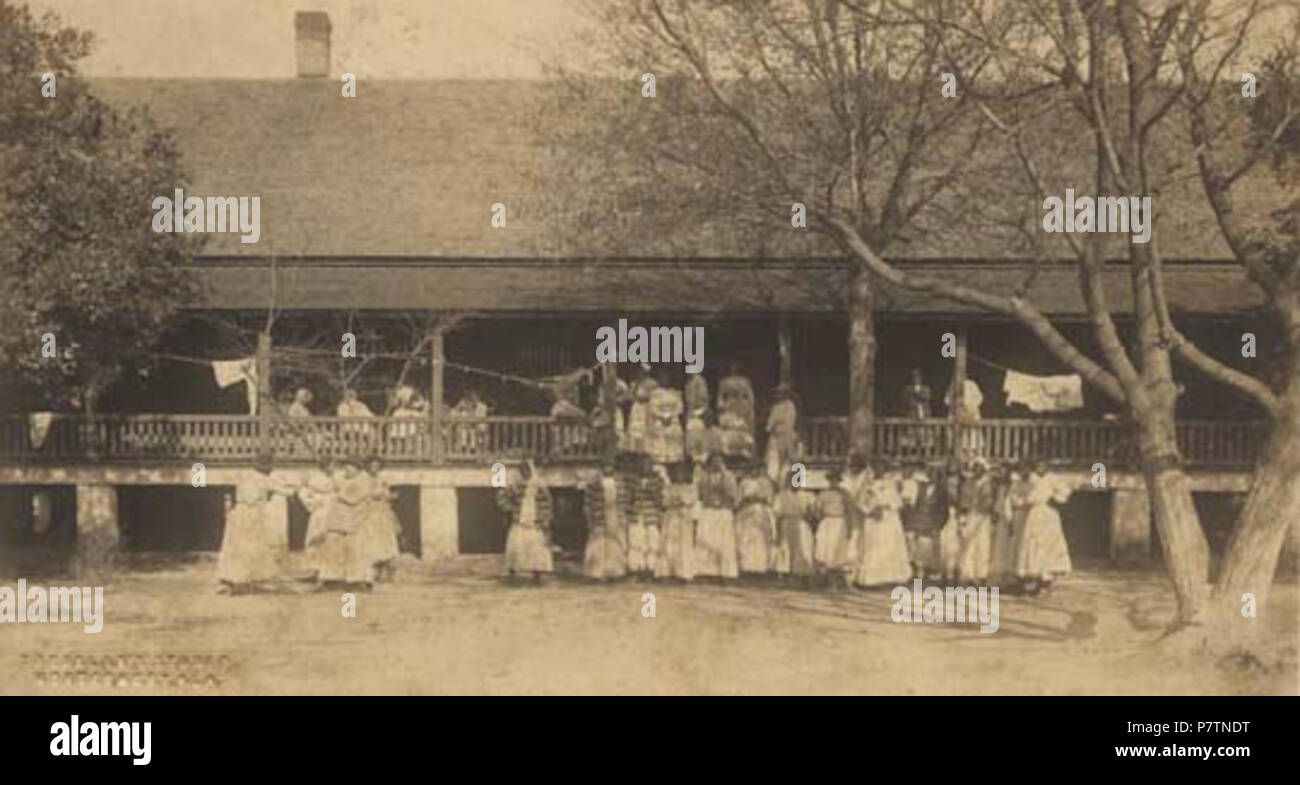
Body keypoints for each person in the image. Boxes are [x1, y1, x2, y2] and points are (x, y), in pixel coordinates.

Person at [217, 459, 290, 594]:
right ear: (265, 467)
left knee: (234, 547)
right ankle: (241, 581)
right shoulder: (263, 479)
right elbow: (284, 491)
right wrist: (293, 487)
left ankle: (230, 579)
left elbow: (231, 486)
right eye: (269, 467)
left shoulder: (244, 474)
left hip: (239, 512)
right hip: (251, 515)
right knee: (249, 547)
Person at [309, 459, 374, 588]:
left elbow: (354, 499)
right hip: (339, 521)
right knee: (333, 549)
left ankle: (359, 580)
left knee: (356, 551)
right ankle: (331, 578)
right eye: (346, 467)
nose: (347, 470)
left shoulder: (364, 480)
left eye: (350, 467)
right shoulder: (343, 478)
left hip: (356, 521)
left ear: (358, 468)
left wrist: (338, 493)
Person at [851, 462, 913, 587]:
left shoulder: (890, 485)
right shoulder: (866, 486)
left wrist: (886, 507)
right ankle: (871, 579)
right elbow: (859, 503)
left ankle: (892, 578)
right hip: (873, 519)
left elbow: (898, 503)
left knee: (889, 547)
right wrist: (870, 510)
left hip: (889, 519)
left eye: (881, 469)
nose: (878, 471)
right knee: (873, 547)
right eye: (875, 469)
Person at [1014, 465, 1073, 593]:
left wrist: (1055, 499)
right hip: (1034, 513)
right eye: (1037, 466)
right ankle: (1033, 577)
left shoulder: (1052, 479)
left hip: (1048, 514)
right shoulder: (1031, 480)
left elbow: (1065, 491)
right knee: (1032, 543)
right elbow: (1023, 495)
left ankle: (1047, 578)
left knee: (1048, 543)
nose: (1040, 468)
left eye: (1043, 466)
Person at [499, 460, 554, 583]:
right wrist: (511, 508)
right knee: (516, 545)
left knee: (536, 547)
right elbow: (502, 498)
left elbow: (547, 503)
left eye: (527, 470)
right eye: (522, 470)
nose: (525, 472)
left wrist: (544, 518)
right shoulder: (516, 485)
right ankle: (512, 571)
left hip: (535, 520)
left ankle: (537, 572)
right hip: (520, 520)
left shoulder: (540, 486)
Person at [693, 453, 739, 580]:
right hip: (708, 511)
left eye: (719, 461)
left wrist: (723, 503)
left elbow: (733, 496)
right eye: (714, 461)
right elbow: (699, 494)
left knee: (723, 542)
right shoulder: (704, 477)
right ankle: (705, 571)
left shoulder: (728, 476)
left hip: (723, 512)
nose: (716, 464)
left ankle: (725, 572)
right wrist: (709, 501)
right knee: (707, 540)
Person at [357, 457, 402, 582]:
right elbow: (363, 494)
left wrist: (388, 495)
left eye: (377, 466)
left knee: (386, 541)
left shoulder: (383, 478)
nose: (375, 469)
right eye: (372, 466)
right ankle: (374, 571)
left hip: (382, 513)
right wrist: (376, 494)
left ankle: (388, 571)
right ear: (368, 467)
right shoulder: (363, 478)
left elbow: (388, 494)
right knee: (372, 541)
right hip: (370, 513)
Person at [583, 461, 628, 581]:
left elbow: (623, 501)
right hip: (600, 516)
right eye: (606, 466)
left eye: (611, 466)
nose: (608, 469)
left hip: (614, 515)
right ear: (601, 468)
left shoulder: (619, 483)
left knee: (614, 544)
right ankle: (597, 573)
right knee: (599, 544)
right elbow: (588, 502)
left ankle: (614, 572)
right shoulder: (594, 484)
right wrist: (590, 517)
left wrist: (622, 515)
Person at [771, 466, 815, 583]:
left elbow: (811, 514)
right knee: (785, 547)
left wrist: (809, 516)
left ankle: (800, 573)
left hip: (801, 523)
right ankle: (784, 572)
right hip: (786, 522)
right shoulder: (781, 496)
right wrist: (777, 529)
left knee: (801, 547)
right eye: (792, 480)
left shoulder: (807, 496)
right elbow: (777, 514)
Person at [625, 453, 666, 579]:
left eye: (648, 464)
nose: (645, 467)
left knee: (652, 542)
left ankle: (651, 569)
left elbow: (661, 500)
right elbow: (629, 498)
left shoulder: (658, 480)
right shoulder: (632, 480)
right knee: (636, 542)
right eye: (642, 464)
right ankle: (636, 569)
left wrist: (651, 490)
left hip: (651, 514)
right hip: (637, 514)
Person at [654, 462, 697, 581]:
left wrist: (680, 501)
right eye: (677, 472)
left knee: (682, 544)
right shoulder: (669, 487)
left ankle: (683, 573)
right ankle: (666, 572)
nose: (679, 475)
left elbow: (691, 501)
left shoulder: (690, 488)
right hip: (671, 516)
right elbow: (664, 501)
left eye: (682, 472)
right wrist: (673, 502)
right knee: (669, 543)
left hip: (683, 517)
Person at [734, 462, 776, 577]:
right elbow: (738, 499)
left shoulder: (766, 483)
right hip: (747, 511)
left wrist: (759, 499)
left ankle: (761, 567)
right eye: (752, 469)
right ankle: (746, 567)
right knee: (746, 538)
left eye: (757, 469)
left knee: (760, 539)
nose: (755, 471)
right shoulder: (744, 483)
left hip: (761, 512)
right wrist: (746, 500)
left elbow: (770, 500)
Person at [812, 468, 852, 588]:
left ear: (839, 481)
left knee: (838, 550)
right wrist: (820, 518)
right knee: (825, 550)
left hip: (839, 522)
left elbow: (849, 510)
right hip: (827, 522)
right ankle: (826, 581)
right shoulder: (823, 493)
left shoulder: (844, 493)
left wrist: (849, 526)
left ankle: (838, 581)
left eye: (836, 480)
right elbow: (817, 510)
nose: (833, 482)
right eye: (831, 480)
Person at [717, 363, 756, 458]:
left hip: (742, 405)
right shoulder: (725, 381)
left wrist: (750, 405)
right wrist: (721, 405)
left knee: (742, 427)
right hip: (730, 405)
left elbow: (750, 394)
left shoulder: (745, 381)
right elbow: (721, 395)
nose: (733, 369)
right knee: (731, 427)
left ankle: (744, 452)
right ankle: (730, 453)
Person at [646, 370, 685, 464]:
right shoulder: (655, 393)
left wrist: (671, 416)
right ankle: (660, 462)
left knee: (675, 433)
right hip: (660, 419)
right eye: (663, 378)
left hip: (673, 419)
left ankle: (674, 462)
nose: (665, 380)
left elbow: (680, 407)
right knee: (659, 434)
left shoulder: (675, 392)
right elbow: (652, 407)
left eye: (667, 378)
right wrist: (662, 416)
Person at [764, 384, 800, 482]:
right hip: (776, 438)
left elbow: (788, 422)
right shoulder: (776, 407)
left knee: (788, 463)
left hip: (786, 437)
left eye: (782, 393)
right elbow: (769, 425)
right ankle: (773, 481)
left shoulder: (790, 406)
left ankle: (789, 482)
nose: (779, 395)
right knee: (773, 463)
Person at [625, 367, 657, 454]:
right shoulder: (635, 383)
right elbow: (630, 395)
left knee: (645, 428)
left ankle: (646, 451)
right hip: (637, 407)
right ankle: (635, 451)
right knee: (635, 429)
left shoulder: (652, 383)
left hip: (646, 406)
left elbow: (654, 395)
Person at [450, 390, 489, 455]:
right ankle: (464, 447)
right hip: (465, 426)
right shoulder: (463, 410)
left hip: (477, 426)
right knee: (464, 431)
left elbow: (479, 417)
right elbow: (453, 414)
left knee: (472, 432)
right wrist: (459, 407)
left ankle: (473, 448)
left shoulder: (481, 406)